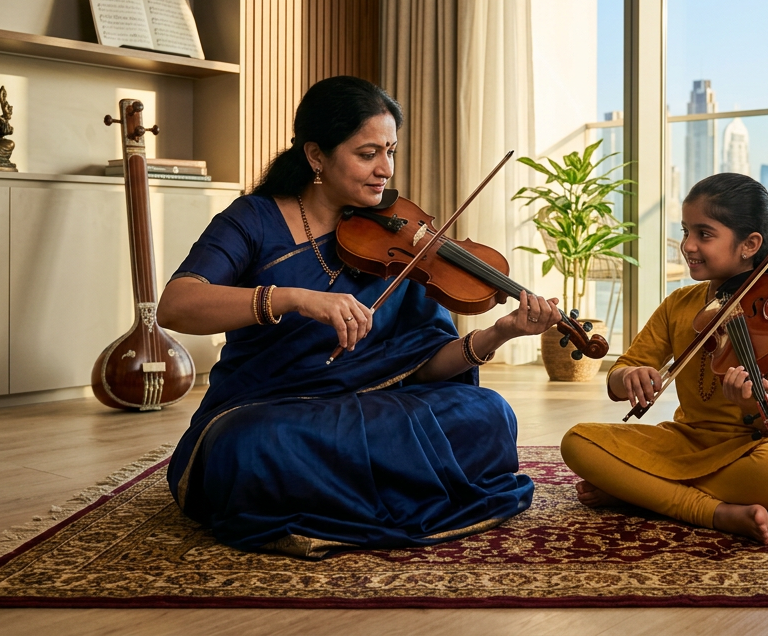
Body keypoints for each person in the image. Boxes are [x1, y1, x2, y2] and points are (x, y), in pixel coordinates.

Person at [159, 76, 561, 558]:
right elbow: (177, 304)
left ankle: (328, 500)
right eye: (368, 154)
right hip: (275, 407)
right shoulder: (253, 219)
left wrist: (501, 331)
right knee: (249, 446)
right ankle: (390, 489)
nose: (385, 169)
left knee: (488, 413)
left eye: (390, 151)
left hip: (378, 403)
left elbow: (424, 365)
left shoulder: (403, 237)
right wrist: (293, 298)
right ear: (316, 156)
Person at [560, 173, 768, 543]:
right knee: (576, 441)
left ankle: (641, 488)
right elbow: (619, 375)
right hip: (687, 441)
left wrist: (751, 404)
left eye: (704, 234)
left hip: (753, 448)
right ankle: (712, 511)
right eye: (685, 231)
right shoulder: (679, 304)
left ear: (750, 244)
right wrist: (629, 376)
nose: (688, 245)